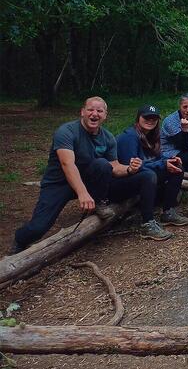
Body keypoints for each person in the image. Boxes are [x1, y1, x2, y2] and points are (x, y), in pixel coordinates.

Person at [11, 97, 166, 253]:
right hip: (59, 183)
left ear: (105, 115)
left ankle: (102, 203)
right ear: (82, 112)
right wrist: (82, 193)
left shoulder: (107, 137)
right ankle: (20, 240)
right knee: (38, 227)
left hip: (90, 181)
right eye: (91, 110)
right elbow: (67, 164)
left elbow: (114, 167)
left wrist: (129, 170)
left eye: (99, 111)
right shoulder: (67, 131)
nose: (95, 114)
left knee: (109, 166)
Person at [116, 104, 188, 234]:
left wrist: (168, 161)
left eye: (154, 118)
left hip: (141, 175)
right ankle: (147, 223)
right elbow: (130, 166)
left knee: (177, 167)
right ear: (138, 118)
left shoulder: (152, 136)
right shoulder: (129, 136)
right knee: (148, 175)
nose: (150, 121)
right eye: (147, 117)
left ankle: (168, 212)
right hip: (121, 182)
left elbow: (155, 159)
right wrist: (162, 164)